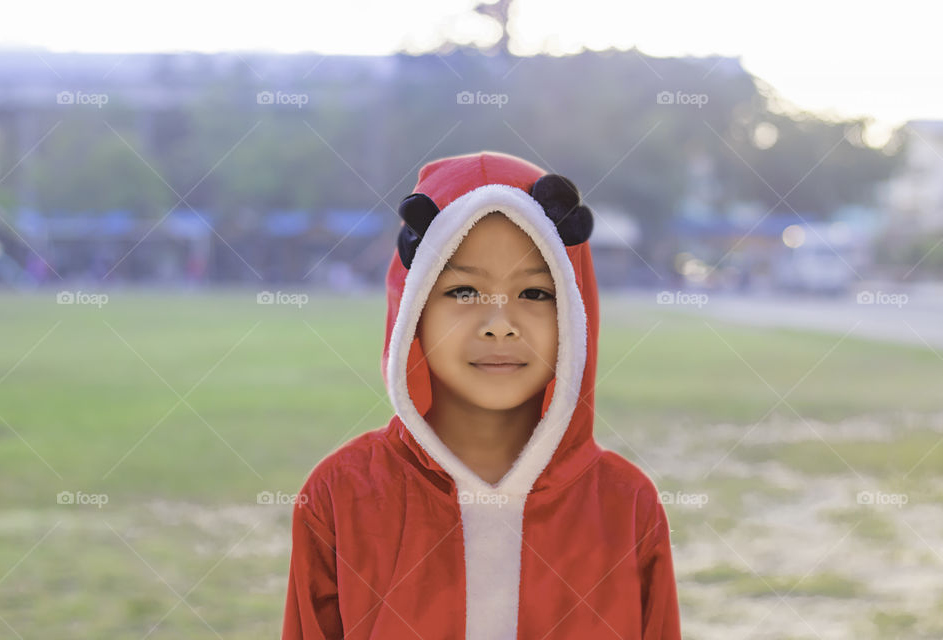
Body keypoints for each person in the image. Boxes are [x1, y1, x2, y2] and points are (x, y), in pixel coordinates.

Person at [282, 151, 682, 639]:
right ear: (413, 311)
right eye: (463, 291)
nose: (499, 325)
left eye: (534, 293)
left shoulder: (625, 505)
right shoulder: (341, 495)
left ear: (575, 313)